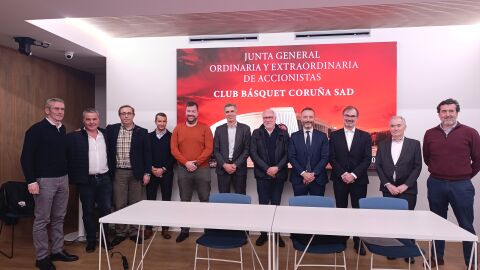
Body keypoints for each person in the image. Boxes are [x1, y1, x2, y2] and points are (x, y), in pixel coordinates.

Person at [20, 98, 78, 270]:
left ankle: (57, 251)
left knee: (59, 217)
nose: (60, 112)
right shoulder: (36, 130)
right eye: (56, 109)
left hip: (63, 179)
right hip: (44, 180)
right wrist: (31, 180)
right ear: (47, 110)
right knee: (42, 219)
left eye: (62, 109)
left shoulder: (62, 129)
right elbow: (25, 158)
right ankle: (42, 257)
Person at [423, 98, 480, 267]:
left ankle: (471, 260)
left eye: (451, 111)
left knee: (466, 224)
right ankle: (436, 257)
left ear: (457, 112)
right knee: (437, 223)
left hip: (461, 185)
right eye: (444, 111)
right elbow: (427, 158)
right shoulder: (430, 133)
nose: (447, 114)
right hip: (436, 184)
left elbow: (478, 160)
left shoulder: (470, 132)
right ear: (439, 114)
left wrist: (465, 176)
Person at [375, 115, 422, 263]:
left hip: (407, 189)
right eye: (393, 126)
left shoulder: (414, 144)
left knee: (407, 221)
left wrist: (405, 185)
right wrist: (387, 184)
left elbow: (417, 167)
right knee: (390, 221)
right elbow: (379, 166)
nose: (395, 128)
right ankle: (392, 250)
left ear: (404, 127)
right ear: (390, 128)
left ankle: (409, 252)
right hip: (388, 189)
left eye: (398, 125)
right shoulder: (382, 144)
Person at [67, 108, 113, 253]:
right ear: (83, 121)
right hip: (86, 181)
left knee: (106, 210)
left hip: (105, 179)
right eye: (88, 119)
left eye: (94, 119)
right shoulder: (74, 137)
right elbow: (67, 157)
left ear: (98, 120)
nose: (91, 122)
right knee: (88, 212)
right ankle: (91, 241)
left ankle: (105, 239)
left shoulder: (106, 134)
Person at [329, 105, 372, 255]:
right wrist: (343, 174)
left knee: (358, 211)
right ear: (343, 116)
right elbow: (332, 158)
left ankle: (358, 241)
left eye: (352, 116)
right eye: (347, 115)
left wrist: (353, 175)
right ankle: (341, 239)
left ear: (356, 118)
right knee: (341, 210)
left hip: (358, 181)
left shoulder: (365, 136)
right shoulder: (334, 135)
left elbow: (367, 159)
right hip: (339, 180)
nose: (349, 118)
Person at [106, 105, 151, 247]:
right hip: (118, 172)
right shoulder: (111, 129)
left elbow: (147, 154)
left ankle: (134, 232)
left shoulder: (142, 132)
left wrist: (147, 172)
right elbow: (96, 132)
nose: (126, 116)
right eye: (123, 113)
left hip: (136, 173)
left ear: (133, 115)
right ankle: (120, 232)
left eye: (129, 113)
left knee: (135, 204)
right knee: (120, 203)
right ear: (119, 115)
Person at [171, 101, 213, 243]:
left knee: (205, 200)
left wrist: (196, 162)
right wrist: (186, 163)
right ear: (185, 112)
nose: (190, 114)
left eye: (193, 111)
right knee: (185, 201)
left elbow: (209, 149)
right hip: (183, 169)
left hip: (203, 169)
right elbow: (174, 149)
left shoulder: (205, 128)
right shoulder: (178, 129)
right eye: (188, 111)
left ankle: (208, 230)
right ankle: (184, 231)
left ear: (197, 112)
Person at [250, 109, 289, 247]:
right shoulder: (256, 133)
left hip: (279, 174)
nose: (268, 120)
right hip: (262, 175)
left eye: (270, 117)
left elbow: (287, 153)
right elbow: (253, 153)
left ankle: (277, 234)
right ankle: (263, 234)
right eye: (265, 117)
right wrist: (267, 168)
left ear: (275, 118)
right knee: (263, 205)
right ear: (262, 119)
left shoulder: (283, 133)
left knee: (276, 205)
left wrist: (277, 168)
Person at [145, 112, 175, 240]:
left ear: (166, 122)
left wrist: (163, 169)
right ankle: (148, 228)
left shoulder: (172, 137)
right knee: (149, 201)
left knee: (166, 201)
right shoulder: (148, 137)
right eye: (159, 121)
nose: (162, 124)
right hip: (151, 173)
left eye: (164, 121)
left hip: (166, 173)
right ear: (155, 122)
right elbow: (146, 154)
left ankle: (165, 229)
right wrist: (151, 168)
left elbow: (174, 155)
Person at [288, 107, 329, 196]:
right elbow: (291, 157)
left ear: (314, 118)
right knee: (299, 207)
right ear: (301, 118)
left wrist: (313, 174)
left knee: (318, 208)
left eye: (310, 117)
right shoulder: (294, 136)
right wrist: (303, 173)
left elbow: (325, 157)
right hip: (299, 179)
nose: (308, 120)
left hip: (318, 179)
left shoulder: (322, 136)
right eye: (305, 117)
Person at [213, 103, 251, 194]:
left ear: (236, 112)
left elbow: (247, 149)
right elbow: (216, 150)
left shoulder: (245, 128)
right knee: (223, 198)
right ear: (225, 114)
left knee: (240, 197)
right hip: (222, 169)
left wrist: (235, 165)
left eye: (232, 111)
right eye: (227, 112)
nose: (230, 114)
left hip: (239, 169)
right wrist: (224, 165)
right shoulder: (219, 129)